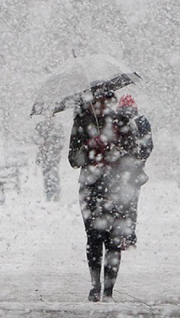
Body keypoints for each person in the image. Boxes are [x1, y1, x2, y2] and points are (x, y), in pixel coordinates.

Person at [68, 92, 153, 302]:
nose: (103, 105)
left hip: (116, 187)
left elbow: (136, 153)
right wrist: (90, 146)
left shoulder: (121, 121)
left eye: (107, 101)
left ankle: (109, 290)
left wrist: (116, 151)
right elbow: (73, 159)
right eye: (98, 101)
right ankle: (95, 286)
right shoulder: (81, 122)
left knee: (114, 240)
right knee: (94, 239)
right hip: (90, 187)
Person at [33, 116, 64, 201]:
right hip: (44, 155)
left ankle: (56, 193)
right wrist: (43, 141)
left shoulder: (57, 127)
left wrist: (54, 144)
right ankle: (48, 193)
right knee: (46, 174)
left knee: (54, 173)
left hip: (54, 155)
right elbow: (35, 139)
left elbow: (61, 142)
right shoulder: (40, 126)